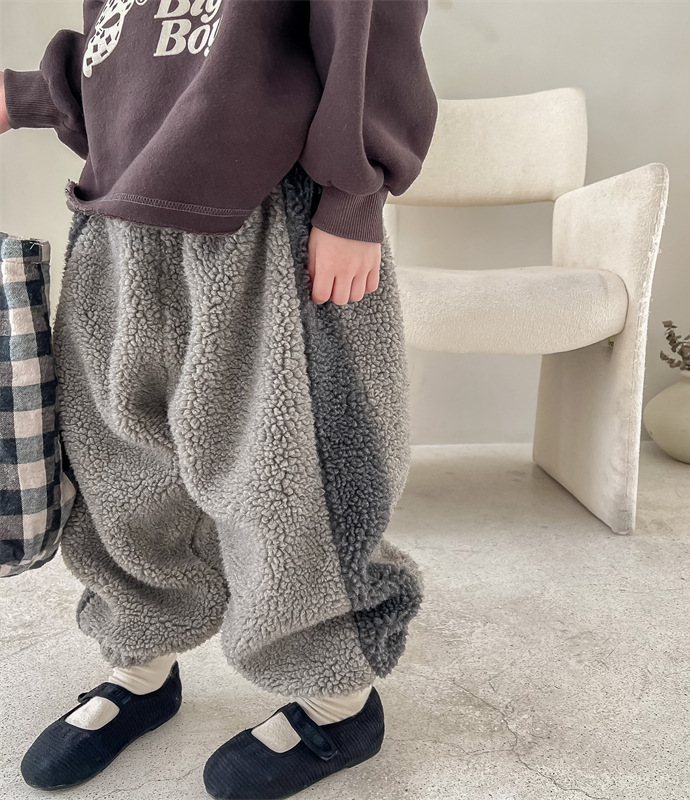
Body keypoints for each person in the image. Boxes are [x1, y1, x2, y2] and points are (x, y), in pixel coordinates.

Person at [0, 1, 438, 798]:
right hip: (116, 219)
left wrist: (353, 196)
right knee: (116, 471)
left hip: (267, 216)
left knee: (290, 482)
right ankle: (140, 669)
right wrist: (25, 95)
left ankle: (338, 701)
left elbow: (367, 21)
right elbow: (127, 52)